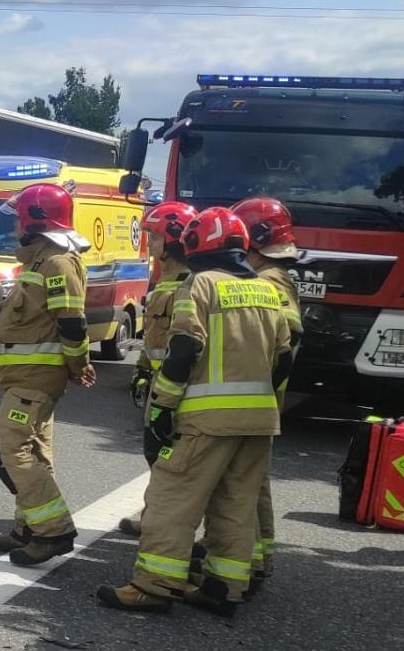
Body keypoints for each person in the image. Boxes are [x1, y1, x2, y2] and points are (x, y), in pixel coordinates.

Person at [98, 207, 297, 617]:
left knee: (172, 497)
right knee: (236, 503)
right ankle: (224, 588)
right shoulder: (264, 289)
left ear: (196, 246)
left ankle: (153, 586)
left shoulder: (200, 284)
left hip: (208, 419)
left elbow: (184, 350)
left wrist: (162, 409)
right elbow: (284, 358)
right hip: (259, 420)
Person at [0, 183, 95, 566]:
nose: (14, 227)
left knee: (6, 448)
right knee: (34, 451)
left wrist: (79, 366)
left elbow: (72, 324)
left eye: (19, 219)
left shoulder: (58, 263)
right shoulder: (40, 262)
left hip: (37, 378)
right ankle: (27, 529)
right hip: (27, 376)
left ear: (36, 220)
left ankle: (53, 532)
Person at [230, 196, 302, 593]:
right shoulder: (273, 275)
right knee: (250, 480)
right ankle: (255, 557)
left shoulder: (269, 280)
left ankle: (247, 563)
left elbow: (287, 337)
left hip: (257, 397)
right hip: (261, 396)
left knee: (244, 482)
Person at [117, 202, 198, 538]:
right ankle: (154, 516)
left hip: (176, 389)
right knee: (156, 455)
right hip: (157, 382)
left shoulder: (190, 284)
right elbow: (153, 337)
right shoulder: (163, 280)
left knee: (168, 458)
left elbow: (185, 344)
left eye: (153, 236)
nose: (148, 243)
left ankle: (166, 528)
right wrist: (140, 370)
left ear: (174, 239)